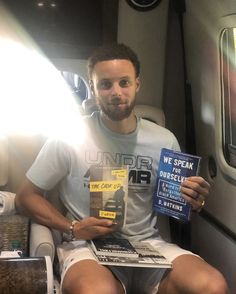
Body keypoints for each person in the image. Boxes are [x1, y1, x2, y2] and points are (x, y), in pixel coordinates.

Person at [15, 43, 229, 294]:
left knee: (213, 286)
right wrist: (71, 228)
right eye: (105, 84)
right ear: (93, 89)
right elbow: (24, 198)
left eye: (124, 83)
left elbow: (175, 204)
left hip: (149, 246)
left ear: (137, 84)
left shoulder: (164, 140)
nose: (116, 92)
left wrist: (193, 201)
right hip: (89, 247)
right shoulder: (69, 136)